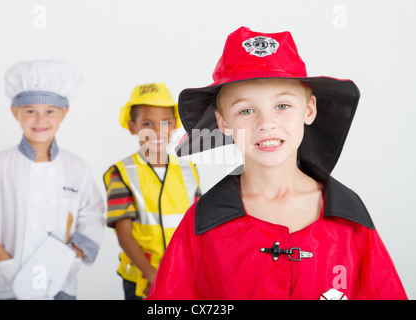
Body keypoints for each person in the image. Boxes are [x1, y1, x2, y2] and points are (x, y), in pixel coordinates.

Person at [147, 27, 408, 300]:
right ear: (224, 123)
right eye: (246, 110)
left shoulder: (348, 217)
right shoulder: (202, 223)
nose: (266, 123)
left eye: (282, 106)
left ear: (308, 110)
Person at [0, 60, 105, 300]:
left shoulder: (76, 167)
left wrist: (70, 256)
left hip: (61, 281)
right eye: (30, 111)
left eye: (50, 111)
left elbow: (93, 214)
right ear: (14, 112)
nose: (40, 120)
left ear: (64, 113)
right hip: (12, 277)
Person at [103, 83, 201, 299]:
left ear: (174, 124)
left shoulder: (188, 170)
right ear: (132, 126)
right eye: (147, 123)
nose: (157, 131)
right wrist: (153, 275)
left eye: (164, 123)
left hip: (183, 275)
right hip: (142, 279)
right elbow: (124, 235)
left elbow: (198, 228)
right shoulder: (122, 174)